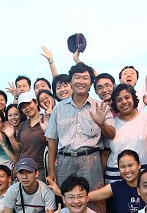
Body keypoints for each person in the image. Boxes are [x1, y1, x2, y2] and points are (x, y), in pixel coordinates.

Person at [46, 62, 111, 199]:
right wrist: (51, 169)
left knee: (94, 200)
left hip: (91, 160)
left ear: (91, 83)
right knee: (67, 200)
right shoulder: (59, 108)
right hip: (64, 160)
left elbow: (112, 134)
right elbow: (52, 139)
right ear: (70, 81)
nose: (81, 81)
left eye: (85, 78)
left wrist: (102, 124)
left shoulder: (99, 106)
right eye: (77, 77)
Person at [100, 85, 147, 183]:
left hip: (144, 177)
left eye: (127, 97)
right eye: (119, 100)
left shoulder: (146, 117)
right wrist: (101, 179)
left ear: (133, 98)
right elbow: (106, 153)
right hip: (115, 178)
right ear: (115, 104)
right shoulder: (111, 123)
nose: (124, 102)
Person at [16, 92, 47, 178]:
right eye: (23, 107)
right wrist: (10, 137)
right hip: (23, 168)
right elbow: (19, 148)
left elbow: (53, 143)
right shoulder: (22, 125)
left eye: (29, 103)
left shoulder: (47, 120)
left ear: (36, 103)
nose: (27, 108)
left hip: (40, 169)